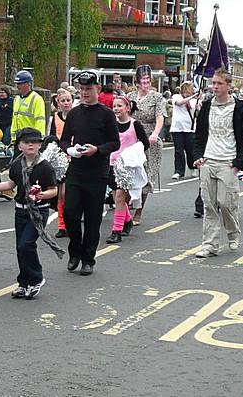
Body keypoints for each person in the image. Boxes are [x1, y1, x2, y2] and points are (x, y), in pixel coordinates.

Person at [59, 71, 119, 276]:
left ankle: (88, 259)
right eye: (82, 89)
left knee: (93, 218)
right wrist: (70, 150)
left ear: (98, 89)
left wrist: (97, 150)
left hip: (97, 171)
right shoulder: (75, 113)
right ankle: (75, 251)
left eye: (88, 89)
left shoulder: (107, 113)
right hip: (76, 169)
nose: (84, 93)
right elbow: (65, 140)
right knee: (70, 213)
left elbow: (114, 142)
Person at [0, 128, 57, 299]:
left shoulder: (45, 166)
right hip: (20, 209)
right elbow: (11, 184)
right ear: (19, 146)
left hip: (38, 211)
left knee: (27, 244)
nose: (31, 145)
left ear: (40, 145)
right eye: (26, 142)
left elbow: (54, 190)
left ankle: (36, 278)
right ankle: (23, 283)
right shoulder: (17, 165)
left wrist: (42, 195)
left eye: (35, 142)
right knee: (20, 248)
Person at [193, 69, 243, 258]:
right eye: (213, 83)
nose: (215, 87)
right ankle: (210, 245)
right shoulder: (206, 106)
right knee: (209, 205)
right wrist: (198, 156)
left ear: (228, 86)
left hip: (228, 162)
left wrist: (238, 162)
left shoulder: (239, 108)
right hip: (209, 160)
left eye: (219, 83)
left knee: (226, 203)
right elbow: (199, 134)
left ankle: (233, 232)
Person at [106, 96, 149, 244]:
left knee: (120, 196)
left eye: (119, 106)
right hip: (112, 163)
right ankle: (127, 220)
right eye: (114, 106)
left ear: (128, 108)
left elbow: (145, 143)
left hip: (126, 165)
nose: (116, 109)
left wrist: (132, 154)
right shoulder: (111, 124)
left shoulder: (135, 124)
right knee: (115, 196)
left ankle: (116, 230)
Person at [130, 64, 167, 226]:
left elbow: (160, 117)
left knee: (146, 176)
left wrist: (155, 134)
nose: (146, 83)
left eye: (148, 80)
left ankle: (138, 211)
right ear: (137, 82)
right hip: (131, 138)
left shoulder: (157, 97)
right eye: (143, 81)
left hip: (149, 139)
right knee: (128, 174)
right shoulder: (130, 96)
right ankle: (126, 206)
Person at [49, 89, 73, 238]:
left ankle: (71, 222)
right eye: (62, 101)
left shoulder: (76, 117)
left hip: (74, 156)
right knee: (61, 193)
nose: (65, 103)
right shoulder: (55, 117)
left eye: (68, 100)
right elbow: (52, 136)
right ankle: (61, 225)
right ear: (58, 103)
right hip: (60, 158)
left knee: (70, 193)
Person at [170, 82, 199, 180]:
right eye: (187, 89)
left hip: (190, 129)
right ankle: (179, 171)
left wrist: (198, 100)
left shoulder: (195, 101)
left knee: (190, 150)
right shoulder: (176, 97)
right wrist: (193, 97)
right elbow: (179, 103)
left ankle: (192, 167)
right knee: (179, 150)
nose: (189, 91)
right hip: (177, 128)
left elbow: (197, 110)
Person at [10, 70, 46, 141]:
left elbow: (40, 121)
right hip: (18, 139)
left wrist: (38, 139)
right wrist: (13, 139)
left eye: (20, 84)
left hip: (30, 139)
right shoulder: (17, 99)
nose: (17, 86)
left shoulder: (37, 99)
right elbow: (14, 120)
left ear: (28, 84)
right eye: (17, 84)